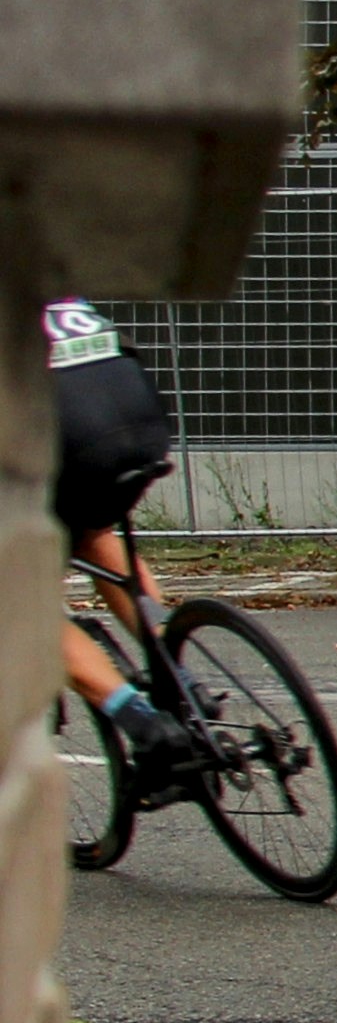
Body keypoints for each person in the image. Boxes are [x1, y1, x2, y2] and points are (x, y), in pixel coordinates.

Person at [47, 296, 211, 802]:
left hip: (64, 429)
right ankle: (180, 677)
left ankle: (145, 726)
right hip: (137, 419)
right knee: (92, 530)